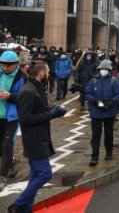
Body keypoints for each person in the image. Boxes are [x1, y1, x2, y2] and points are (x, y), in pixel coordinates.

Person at [8, 63, 66, 213]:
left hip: (40, 137)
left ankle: (25, 208)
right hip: (34, 140)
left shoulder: (37, 87)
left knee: (35, 176)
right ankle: (19, 203)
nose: (48, 74)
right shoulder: (28, 91)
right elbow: (26, 119)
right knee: (45, 174)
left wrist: (54, 110)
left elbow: (40, 109)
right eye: (47, 71)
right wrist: (51, 114)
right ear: (41, 73)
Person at [85, 60, 119, 166]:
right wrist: (95, 100)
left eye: (106, 69)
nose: (104, 71)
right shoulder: (93, 81)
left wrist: (111, 102)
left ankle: (109, 152)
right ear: (99, 70)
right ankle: (94, 156)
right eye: (102, 69)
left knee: (109, 134)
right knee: (96, 135)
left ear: (109, 70)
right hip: (96, 112)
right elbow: (87, 93)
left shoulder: (114, 81)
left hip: (109, 112)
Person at [0, 51, 27, 191]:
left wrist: (9, 96)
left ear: (16, 64)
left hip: (12, 117)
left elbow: (26, 98)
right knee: (1, 149)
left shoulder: (22, 77)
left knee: (6, 145)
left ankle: (2, 177)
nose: (5, 67)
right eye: (3, 64)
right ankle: (11, 162)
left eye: (8, 65)